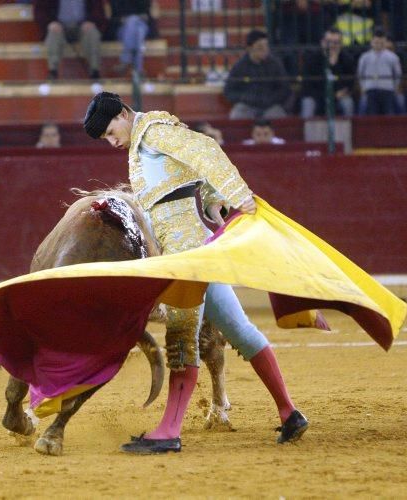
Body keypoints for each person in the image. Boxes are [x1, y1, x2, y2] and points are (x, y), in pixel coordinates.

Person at [83, 91, 311, 454]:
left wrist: (238, 194)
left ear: (125, 114)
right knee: (239, 331)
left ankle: (169, 432)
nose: (112, 142)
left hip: (186, 252)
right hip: (198, 247)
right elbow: (189, 171)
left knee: (181, 337)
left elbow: (204, 150)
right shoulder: (145, 140)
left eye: (112, 132)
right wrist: (212, 197)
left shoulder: (153, 131)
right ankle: (289, 412)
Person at [224, 30, 291, 120]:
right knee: (237, 115)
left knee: (279, 117)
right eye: (260, 47)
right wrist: (245, 98)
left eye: (266, 46)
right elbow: (229, 91)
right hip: (247, 106)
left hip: (271, 106)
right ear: (249, 48)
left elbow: (284, 88)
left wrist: (271, 99)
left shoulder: (275, 64)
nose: (265, 50)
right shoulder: (240, 66)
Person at [33, 0, 107, 80]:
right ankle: (53, 71)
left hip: (83, 26)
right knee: (53, 33)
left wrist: (92, 21)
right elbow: (40, 11)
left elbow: (98, 10)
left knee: (92, 32)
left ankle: (94, 71)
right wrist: (49, 23)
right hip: (58, 26)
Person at [300, 27, 356, 118]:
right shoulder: (312, 59)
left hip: (339, 97)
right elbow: (307, 86)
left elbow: (350, 83)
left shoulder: (347, 59)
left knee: (348, 103)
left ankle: (346, 131)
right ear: (322, 42)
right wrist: (328, 95)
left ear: (341, 44)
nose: (332, 45)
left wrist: (334, 64)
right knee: (308, 104)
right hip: (316, 97)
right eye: (329, 42)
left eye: (336, 43)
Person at [106, 0, 158, 77]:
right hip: (122, 29)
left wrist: (136, 19)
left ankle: (125, 60)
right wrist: (124, 20)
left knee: (135, 23)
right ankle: (138, 69)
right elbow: (112, 19)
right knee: (138, 31)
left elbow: (150, 16)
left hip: (142, 25)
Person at [357, 28, 401, 115]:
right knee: (372, 114)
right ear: (371, 42)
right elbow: (360, 73)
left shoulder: (392, 57)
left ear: (385, 42)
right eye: (376, 43)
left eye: (382, 43)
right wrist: (363, 87)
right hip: (370, 89)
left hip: (387, 89)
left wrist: (395, 86)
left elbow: (397, 73)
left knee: (388, 113)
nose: (379, 45)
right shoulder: (365, 57)